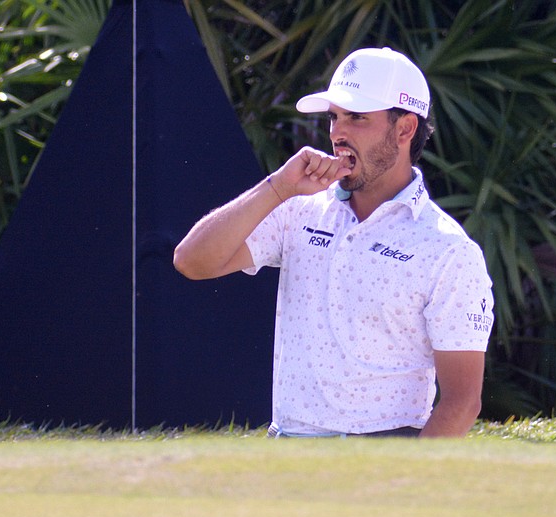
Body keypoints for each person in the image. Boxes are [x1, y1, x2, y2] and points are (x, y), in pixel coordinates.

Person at [173, 47, 494, 438]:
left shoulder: (449, 250)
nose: (338, 133)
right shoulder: (298, 207)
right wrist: (278, 187)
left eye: (357, 117)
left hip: (384, 458)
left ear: (405, 129)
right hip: (288, 452)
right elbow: (192, 261)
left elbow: (462, 402)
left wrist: (406, 484)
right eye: (334, 117)